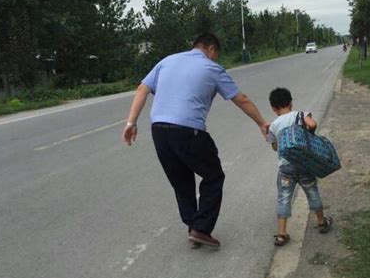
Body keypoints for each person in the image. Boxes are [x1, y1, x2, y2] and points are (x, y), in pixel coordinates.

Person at [122, 33, 269, 249]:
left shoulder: (167, 61)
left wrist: (131, 123)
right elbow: (241, 99)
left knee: (181, 181)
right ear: (210, 49)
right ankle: (201, 229)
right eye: (216, 55)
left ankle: (193, 227)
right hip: (188, 130)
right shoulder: (212, 68)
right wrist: (261, 123)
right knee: (214, 175)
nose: (216, 59)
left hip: (159, 130)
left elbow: (142, 89)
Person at [267, 87, 333, 246]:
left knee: (283, 198)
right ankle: (322, 221)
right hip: (304, 165)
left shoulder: (274, 125)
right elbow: (313, 124)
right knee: (312, 192)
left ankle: (282, 234)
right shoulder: (300, 115)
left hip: (285, 169)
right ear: (290, 103)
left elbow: (275, 147)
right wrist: (308, 133)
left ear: (274, 108)